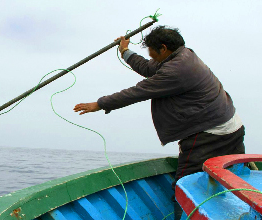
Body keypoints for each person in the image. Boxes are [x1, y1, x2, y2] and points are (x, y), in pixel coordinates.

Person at [73, 26, 245, 219]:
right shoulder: (183, 56)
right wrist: (125, 51)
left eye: (151, 51)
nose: (151, 56)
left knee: (185, 188)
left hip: (210, 135)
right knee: (231, 181)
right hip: (231, 126)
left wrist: (99, 104)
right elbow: (148, 68)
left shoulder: (176, 70)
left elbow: (138, 92)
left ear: (163, 48)